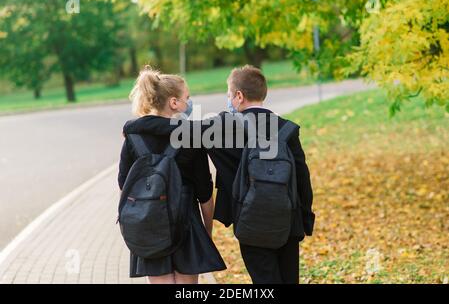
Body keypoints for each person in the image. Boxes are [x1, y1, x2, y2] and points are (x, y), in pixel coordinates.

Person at [124, 65, 314, 284]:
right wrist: (305, 219)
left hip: (251, 221)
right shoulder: (287, 129)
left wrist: (133, 127)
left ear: (239, 96)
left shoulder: (222, 127)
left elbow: (177, 130)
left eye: (228, 95)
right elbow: (302, 177)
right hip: (288, 221)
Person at [118, 66, 226, 284]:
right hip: (186, 220)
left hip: (150, 221)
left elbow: (124, 183)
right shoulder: (190, 137)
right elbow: (205, 193)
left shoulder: (133, 135)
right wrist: (206, 231)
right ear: (173, 103)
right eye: (187, 98)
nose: (190, 103)